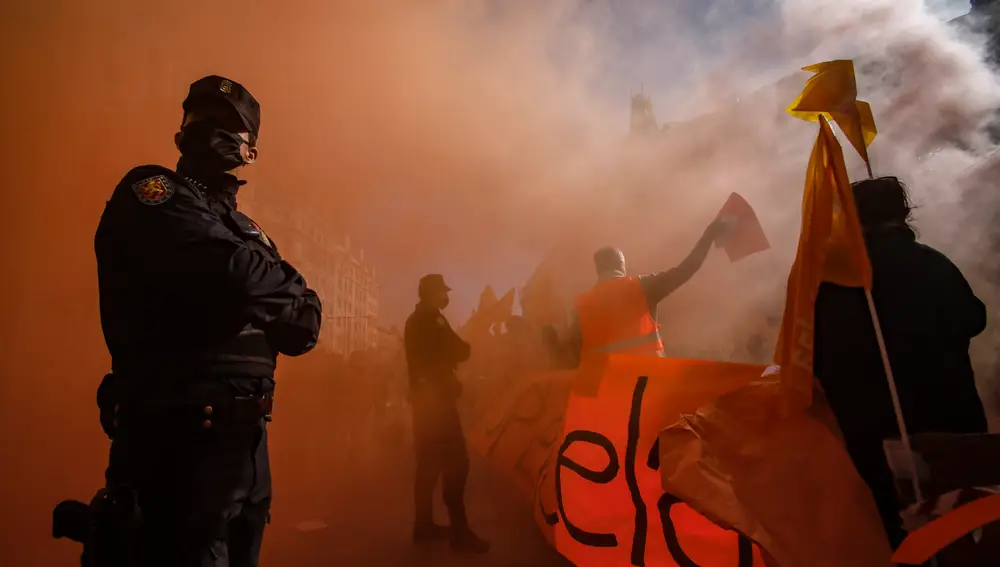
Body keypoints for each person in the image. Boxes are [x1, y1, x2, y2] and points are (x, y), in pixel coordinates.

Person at [94, 75, 322, 567]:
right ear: (182, 132)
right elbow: (236, 276)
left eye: (228, 126)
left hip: (245, 449)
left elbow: (304, 327)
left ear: (250, 151)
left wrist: (269, 285)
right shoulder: (151, 191)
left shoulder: (245, 229)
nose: (211, 132)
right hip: (177, 446)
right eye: (201, 120)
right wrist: (278, 287)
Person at [813, 176, 989, 549]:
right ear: (904, 213)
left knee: (895, 534)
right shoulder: (934, 265)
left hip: (873, 433)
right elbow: (972, 319)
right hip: (950, 423)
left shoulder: (835, 281)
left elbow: (817, 353)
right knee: (960, 531)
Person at [551, 217, 733, 366]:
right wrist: (710, 234)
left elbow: (572, 353)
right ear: (621, 265)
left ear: (598, 269)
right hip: (647, 384)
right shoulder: (641, 287)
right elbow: (687, 269)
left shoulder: (582, 304)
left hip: (605, 394)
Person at [403, 274, 490, 554]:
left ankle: (423, 524)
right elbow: (461, 350)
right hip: (439, 403)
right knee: (456, 463)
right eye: (443, 291)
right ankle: (460, 532)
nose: (446, 296)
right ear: (433, 292)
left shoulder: (414, 320)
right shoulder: (433, 319)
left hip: (423, 403)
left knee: (427, 466)